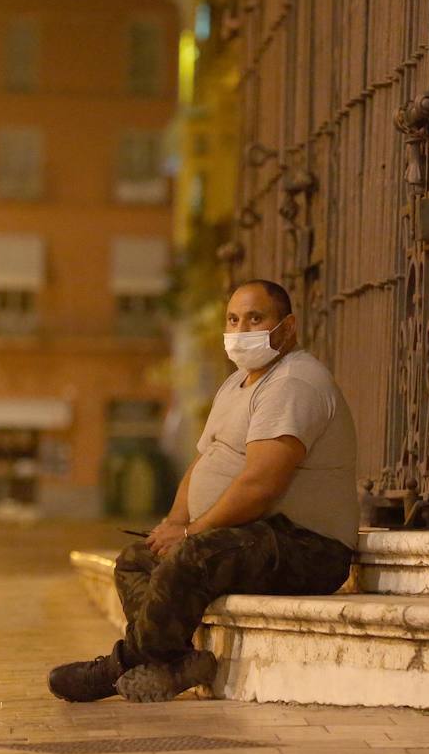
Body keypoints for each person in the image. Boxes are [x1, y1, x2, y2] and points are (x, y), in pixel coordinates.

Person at [48, 279, 358, 703]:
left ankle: (118, 666)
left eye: (255, 318)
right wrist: (175, 522)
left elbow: (261, 486)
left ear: (287, 328)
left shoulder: (293, 384)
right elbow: (204, 461)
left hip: (306, 545)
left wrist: (192, 532)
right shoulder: (237, 385)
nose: (241, 329)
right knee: (138, 559)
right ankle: (175, 663)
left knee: (192, 556)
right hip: (256, 534)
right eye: (234, 319)